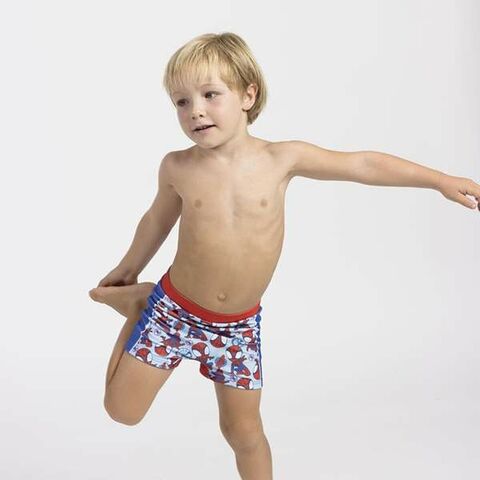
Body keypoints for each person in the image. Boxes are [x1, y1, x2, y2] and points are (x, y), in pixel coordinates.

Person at [88, 31, 479, 480]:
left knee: (243, 432)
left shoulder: (281, 159)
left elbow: (362, 164)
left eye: (210, 94)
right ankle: (139, 304)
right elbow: (156, 221)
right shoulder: (177, 166)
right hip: (174, 310)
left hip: (237, 328)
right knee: (122, 411)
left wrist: (440, 180)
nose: (195, 110)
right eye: (181, 101)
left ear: (248, 95)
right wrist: (127, 270)